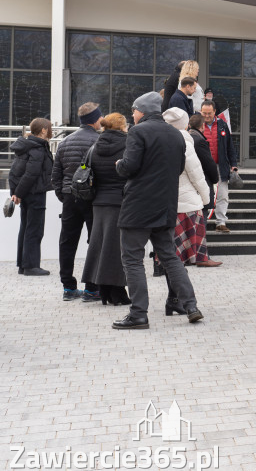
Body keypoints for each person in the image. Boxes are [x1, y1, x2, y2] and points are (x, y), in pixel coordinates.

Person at [114, 91, 204, 330]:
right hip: (165, 206)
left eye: (133, 110)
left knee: (132, 259)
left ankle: (138, 314)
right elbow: (176, 169)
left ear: (141, 110)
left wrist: (119, 166)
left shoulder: (137, 132)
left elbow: (130, 166)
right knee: (169, 257)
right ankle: (191, 306)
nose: (132, 114)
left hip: (138, 207)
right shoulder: (176, 135)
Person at [51, 102, 102, 300]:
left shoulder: (65, 142)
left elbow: (55, 175)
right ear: (95, 120)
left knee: (67, 241)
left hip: (70, 198)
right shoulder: (99, 141)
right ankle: (91, 288)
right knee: (95, 241)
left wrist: (63, 195)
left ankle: (68, 287)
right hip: (92, 197)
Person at [80, 113, 131, 305]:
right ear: (121, 127)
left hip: (98, 203)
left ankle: (103, 290)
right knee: (117, 248)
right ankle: (117, 292)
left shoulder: (95, 147)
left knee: (100, 246)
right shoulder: (127, 146)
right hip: (121, 202)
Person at [163, 108, 214, 276]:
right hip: (187, 201)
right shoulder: (185, 141)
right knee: (192, 231)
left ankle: (164, 262)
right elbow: (196, 174)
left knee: (170, 239)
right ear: (184, 124)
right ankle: (198, 257)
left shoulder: (159, 139)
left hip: (166, 199)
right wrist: (206, 198)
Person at [9, 118, 54, 276]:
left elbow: (15, 171)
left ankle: (23, 264)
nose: (51, 131)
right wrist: (18, 193)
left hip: (27, 193)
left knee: (25, 227)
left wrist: (16, 192)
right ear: (42, 130)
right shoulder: (38, 148)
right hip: (35, 193)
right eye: (49, 128)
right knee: (34, 229)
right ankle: (31, 266)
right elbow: (31, 174)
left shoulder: (28, 145)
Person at [200, 100, 238, 234]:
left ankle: (221, 223)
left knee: (222, 195)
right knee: (202, 195)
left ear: (214, 111)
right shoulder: (196, 124)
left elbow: (230, 147)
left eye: (209, 113)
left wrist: (233, 165)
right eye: (204, 113)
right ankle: (201, 223)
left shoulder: (222, 125)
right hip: (202, 168)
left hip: (220, 166)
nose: (206, 116)